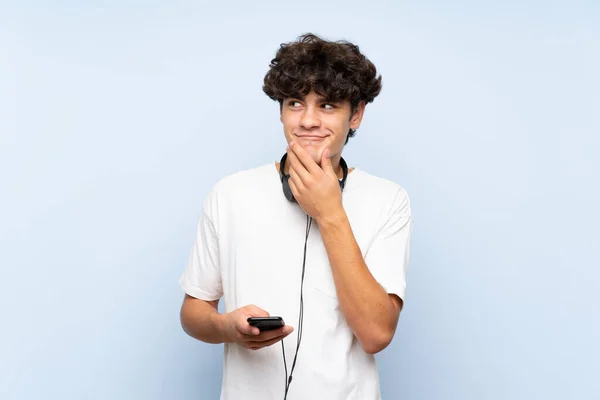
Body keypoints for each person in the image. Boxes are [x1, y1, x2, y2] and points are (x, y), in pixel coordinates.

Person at [179, 33, 413, 400]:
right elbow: (193, 311)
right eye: (294, 103)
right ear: (281, 111)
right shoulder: (230, 194)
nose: (307, 121)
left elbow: (376, 334)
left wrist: (330, 213)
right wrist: (227, 327)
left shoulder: (388, 200)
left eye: (328, 106)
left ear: (357, 114)